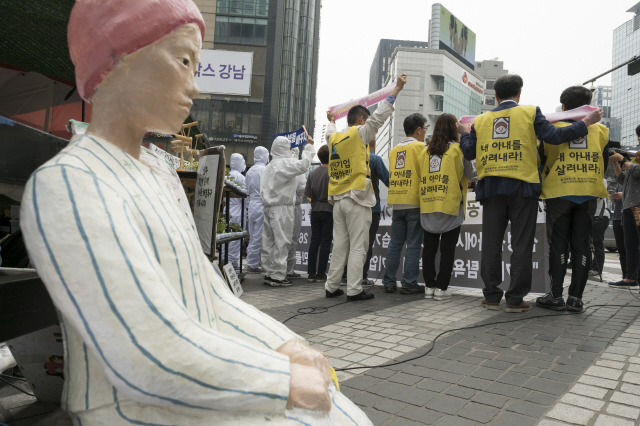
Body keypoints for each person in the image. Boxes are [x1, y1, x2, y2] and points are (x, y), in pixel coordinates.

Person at [20, 2, 372, 424]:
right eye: (184, 60)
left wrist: (287, 345)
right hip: (126, 407)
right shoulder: (70, 182)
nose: (195, 85)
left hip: (186, 381)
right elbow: (144, 352)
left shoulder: (156, 170)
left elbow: (209, 293)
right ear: (117, 60)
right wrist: (280, 379)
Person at [460, 74, 604, 313]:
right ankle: (515, 300)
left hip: (492, 189)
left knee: (492, 244)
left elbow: (469, 153)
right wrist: (586, 122)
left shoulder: (482, 120)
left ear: (495, 95)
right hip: (522, 188)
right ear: (519, 94)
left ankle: (492, 297)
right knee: (521, 245)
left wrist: (464, 132)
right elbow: (555, 136)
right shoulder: (530, 112)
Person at [325, 73, 407, 302]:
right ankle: (354, 289)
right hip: (357, 199)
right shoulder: (361, 134)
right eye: (367, 121)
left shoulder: (334, 139)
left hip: (338, 200)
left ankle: (331, 287)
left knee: (340, 245)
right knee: (358, 247)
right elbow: (379, 116)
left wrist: (331, 119)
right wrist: (396, 90)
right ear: (361, 120)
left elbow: (328, 131)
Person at [535, 86, 609, 313]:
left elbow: (541, 161)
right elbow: (603, 165)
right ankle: (576, 299)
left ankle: (555, 297)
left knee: (558, 245)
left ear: (564, 107)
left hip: (558, 193)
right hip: (588, 194)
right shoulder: (601, 131)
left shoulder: (552, 129)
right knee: (582, 245)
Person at [419, 113, 476, 301]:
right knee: (447, 250)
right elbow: (471, 173)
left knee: (429, 249)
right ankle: (442, 289)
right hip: (451, 205)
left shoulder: (425, 152)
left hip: (428, 205)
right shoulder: (458, 150)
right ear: (454, 128)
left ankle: (429, 286)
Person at [382, 113, 427, 294]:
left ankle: (389, 281)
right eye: (425, 128)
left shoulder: (394, 150)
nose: (425, 132)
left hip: (397, 201)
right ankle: (408, 283)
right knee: (413, 244)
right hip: (414, 201)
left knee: (395, 243)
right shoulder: (420, 147)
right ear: (418, 130)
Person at [261, 137, 315, 287]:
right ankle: (277, 276)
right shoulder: (285, 163)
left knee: (268, 241)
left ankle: (267, 272)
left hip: (268, 207)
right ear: (285, 148)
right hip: (282, 208)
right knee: (282, 242)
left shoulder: (269, 166)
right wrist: (309, 147)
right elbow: (304, 165)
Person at [609, 147, 640, 289]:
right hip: (628, 208)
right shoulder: (632, 168)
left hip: (638, 207)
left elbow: (637, 170)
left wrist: (623, 160)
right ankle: (630, 278)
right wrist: (616, 163)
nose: (636, 158)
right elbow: (622, 179)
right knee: (630, 244)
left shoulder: (635, 167)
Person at [363, 139, 389, 285]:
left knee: (351, 243)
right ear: (373, 143)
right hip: (372, 207)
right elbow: (389, 180)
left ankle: (346, 276)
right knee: (366, 244)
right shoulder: (374, 159)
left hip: (352, 207)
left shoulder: (351, 157)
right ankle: (361, 276)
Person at [305, 145, 333, 282]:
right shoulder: (333, 172)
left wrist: (314, 202)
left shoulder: (312, 173)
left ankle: (311, 272)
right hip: (329, 210)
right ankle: (322, 272)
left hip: (315, 210)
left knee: (314, 240)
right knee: (325, 242)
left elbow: (307, 195)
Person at [245, 146, 269, 273]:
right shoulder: (265, 170)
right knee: (258, 236)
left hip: (252, 204)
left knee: (253, 234)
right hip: (261, 204)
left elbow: (246, 190)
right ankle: (253, 264)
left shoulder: (250, 171)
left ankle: (252, 261)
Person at [286, 148, 307, 279]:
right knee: (292, 238)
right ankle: (288, 270)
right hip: (294, 205)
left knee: (279, 238)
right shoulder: (298, 166)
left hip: (280, 205)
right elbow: (301, 188)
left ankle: (276, 268)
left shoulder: (278, 163)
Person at [225, 153, 246, 268]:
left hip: (226, 207)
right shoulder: (242, 178)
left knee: (225, 236)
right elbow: (246, 196)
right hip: (237, 209)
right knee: (235, 237)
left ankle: (224, 259)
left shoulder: (226, 175)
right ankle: (233, 262)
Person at [590, 179, 611, 278]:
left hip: (600, 217)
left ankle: (597, 269)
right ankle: (589, 267)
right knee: (587, 243)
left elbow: (598, 195)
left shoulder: (602, 180)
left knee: (597, 244)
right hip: (591, 216)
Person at [610, 183, 626, 280]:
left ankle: (634, 276)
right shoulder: (619, 183)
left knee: (631, 248)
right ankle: (625, 276)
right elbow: (615, 202)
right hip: (617, 218)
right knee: (621, 249)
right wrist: (613, 197)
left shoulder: (635, 177)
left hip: (629, 216)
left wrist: (624, 194)